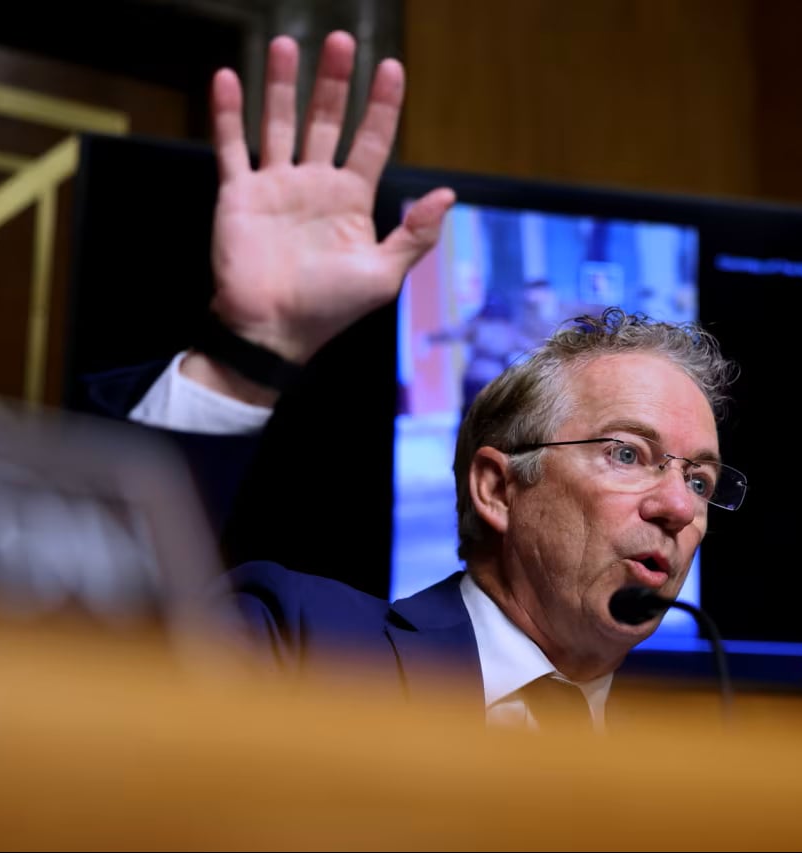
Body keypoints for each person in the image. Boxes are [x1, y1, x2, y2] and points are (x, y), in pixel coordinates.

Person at [83, 30, 746, 732]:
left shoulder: (696, 763)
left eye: (700, 479)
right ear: (496, 488)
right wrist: (245, 356)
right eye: (627, 453)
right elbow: (101, 674)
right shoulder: (310, 643)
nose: (679, 506)